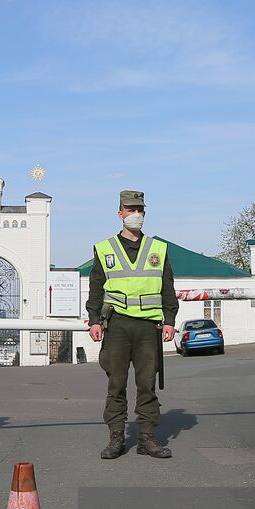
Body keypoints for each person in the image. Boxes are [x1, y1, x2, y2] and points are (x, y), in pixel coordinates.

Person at [87, 190, 177, 460]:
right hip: (117, 326)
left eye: (139, 209)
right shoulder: (104, 249)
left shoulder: (158, 249)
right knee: (116, 384)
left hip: (149, 327)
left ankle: (147, 439)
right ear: (120, 214)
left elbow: (168, 288)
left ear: (144, 214)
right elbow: (95, 288)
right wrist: (94, 320)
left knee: (147, 385)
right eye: (130, 209)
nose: (135, 214)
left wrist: (170, 319)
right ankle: (116, 438)